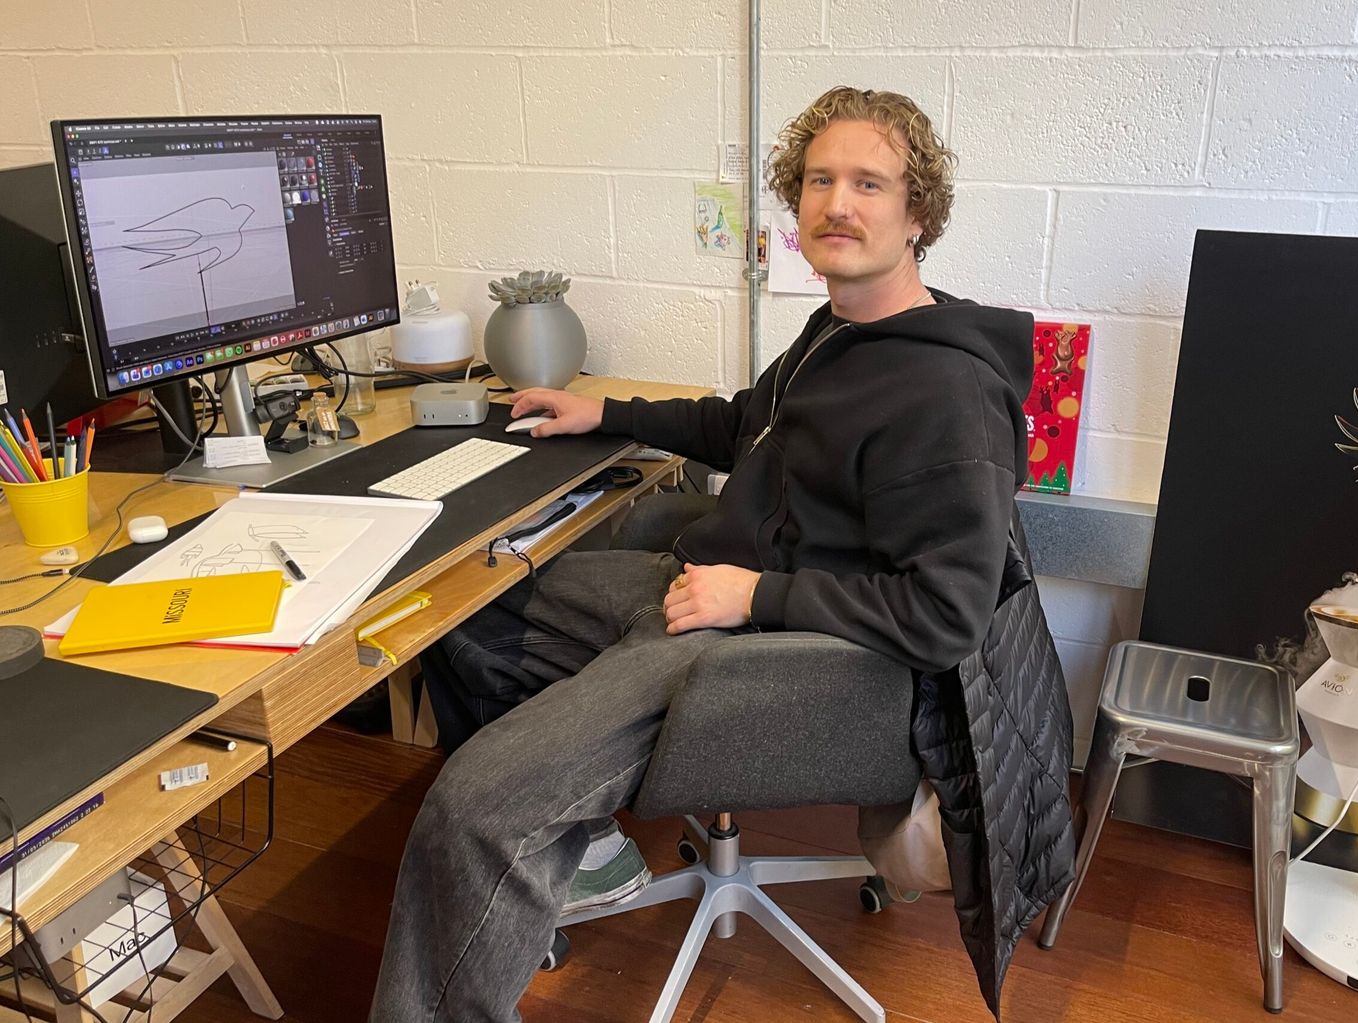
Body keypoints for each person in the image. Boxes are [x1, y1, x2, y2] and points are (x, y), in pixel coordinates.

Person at [372, 86, 1072, 1022]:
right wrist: (605, 413)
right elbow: (753, 424)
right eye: (821, 180)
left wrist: (756, 595)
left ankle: (521, 833)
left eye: (870, 182)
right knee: (462, 603)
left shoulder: (943, 391)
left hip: (762, 655)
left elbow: (945, 614)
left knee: (474, 808)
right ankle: (573, 847)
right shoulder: (845, 328)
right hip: (704, 593)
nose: (839, 203)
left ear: (918, 213)